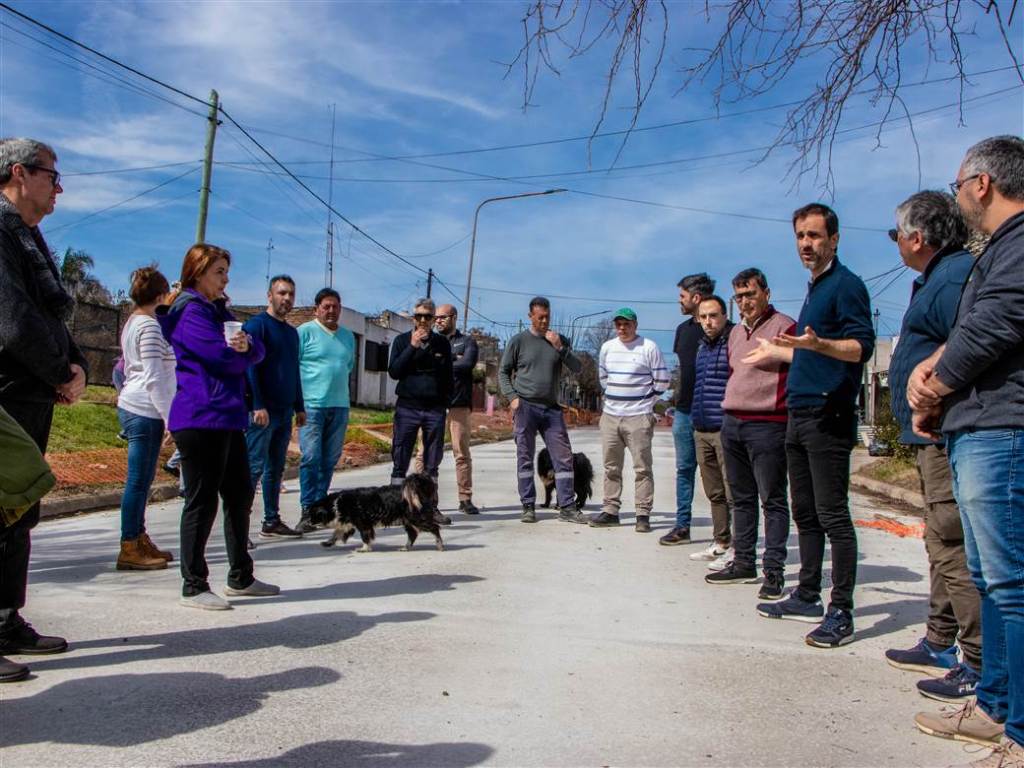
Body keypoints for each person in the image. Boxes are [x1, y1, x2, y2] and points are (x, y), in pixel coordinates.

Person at [909, 135, 1024, 766]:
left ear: (982, 184)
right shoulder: (998, 251)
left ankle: (1020, 730)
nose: (956, 197)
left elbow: (1000, 321)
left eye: (958, 185)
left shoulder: (1019, 243)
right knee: (989, 577)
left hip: (1004, 429)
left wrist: (935, 383)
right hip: (978, 427)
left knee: (1011, 585)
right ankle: (994, 705)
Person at [752, 203, 875, 649]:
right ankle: (806, 593)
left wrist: (820, 343)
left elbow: (860, 347)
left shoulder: (847, 286)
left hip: (829, 414)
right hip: (798, 414)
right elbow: (810, 351)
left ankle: (840, 610)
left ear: (834, 240)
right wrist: (786, 352)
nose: (807, 244)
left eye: (815, 236)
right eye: (801, 236)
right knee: (804, 512)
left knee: (833, 515)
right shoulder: (814, 289)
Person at [883, 191, 981, 704]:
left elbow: (968, 342)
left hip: (942, 433)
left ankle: (979, 663)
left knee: (951, 544)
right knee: (938, 543)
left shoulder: (953, 277)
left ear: (917, 237)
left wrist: (933, 394)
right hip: (926, 438)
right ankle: (941, 639)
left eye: (895, 233)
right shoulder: (939, 277)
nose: (895, 242)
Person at [0, 138, 85, 675]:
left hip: (31, 393)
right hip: (7, 392)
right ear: (18, 173)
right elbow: (12, 319)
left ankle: (7, 618)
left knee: (19, 510)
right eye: (51, 176)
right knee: (1, 506)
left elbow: (49, 316)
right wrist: (59, 370)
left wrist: (74, 367)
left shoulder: (29, 236)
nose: (58, 187)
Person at [158, 243, 278, 610]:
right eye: (219, 272)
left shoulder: (218, 310)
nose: (226, 279)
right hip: (199, 416)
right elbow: (221, 357)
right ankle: (193, 584)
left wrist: (246, 346)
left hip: (227, 417)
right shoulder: (191, 311)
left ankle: (240, 576)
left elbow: (255, 352)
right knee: (201, 500)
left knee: (240, 493)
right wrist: (242, 350)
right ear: (198, 273)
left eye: (226, 271)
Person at [708, 269, 795, 599]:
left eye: (750, 294)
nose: (745, 302)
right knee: (741, 498)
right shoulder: (734, 334)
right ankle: (744, 561)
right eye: (739, 296)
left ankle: (773, 571)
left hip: (768, 424)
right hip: (733, 423)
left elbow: (802, 362)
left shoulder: (785, 326)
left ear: (766, 294)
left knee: (772, 499)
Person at [499, 296, 584, 524]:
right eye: (540, 317)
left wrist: (560, 347)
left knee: (564, 457)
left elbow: (577, 368)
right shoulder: (518, 341)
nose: (545, 321)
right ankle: (528, 506)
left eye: (547, 316)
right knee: (525, 458)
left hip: (551, 409)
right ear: (531, 316)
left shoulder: (559, 340)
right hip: (525, 406)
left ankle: (567, 506)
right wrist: (512, 398)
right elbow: (503, 372)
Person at [115, 266, 177, 571]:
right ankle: (129, 544)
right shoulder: (149, 327)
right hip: (144, 410)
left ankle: (138, 537)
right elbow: (153, 378)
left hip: (138, 405)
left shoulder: (135, 322)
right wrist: (170, 419)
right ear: (160, 294)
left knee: (142, 480)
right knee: (138, 482)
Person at [588, 307, 670, 533]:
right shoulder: (607, 348)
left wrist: (646, 403)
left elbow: (662, 381)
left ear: (635, 324)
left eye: (627, 324)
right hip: (611, 416)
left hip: (638, 417)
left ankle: (643, 514)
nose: (622, 328)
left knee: (642, 467)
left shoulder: (649, 347)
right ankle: (610, 510)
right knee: (611, 466)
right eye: (619, 324)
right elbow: (604, 378)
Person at [244, 274, 306, 539]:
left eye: (291, 294)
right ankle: (239, 527)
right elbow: (249, 367)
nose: (287, 298)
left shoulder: (292, 334)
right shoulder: (257, 326)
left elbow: (294, 371)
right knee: (252, 469)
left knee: (275, 469)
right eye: (282, 293)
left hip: (284, 411)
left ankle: (271, 521)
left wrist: (299, 406)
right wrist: (257, 404)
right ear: (269, 295)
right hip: (262, 412)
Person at [660, 273, 716, 546]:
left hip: (713, 413)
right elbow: (683, 371)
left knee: (716, 473)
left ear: (696, 298)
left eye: (682, 296)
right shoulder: (683, 331)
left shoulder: (723, 330)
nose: (679, 302)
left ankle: (724, 535)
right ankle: (683, 526)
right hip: (684, 412)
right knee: (684, 469)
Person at [295, 288, 356, 531]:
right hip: (311, 406)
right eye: (326, 307)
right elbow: (293, 367)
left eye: (335, 307)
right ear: (317, 309)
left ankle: (320, 508)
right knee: (310, 458)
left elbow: (347, 366)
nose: (331, 311)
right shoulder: (304, 333)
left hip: (340, 406)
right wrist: (296, 403)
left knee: (329, 460)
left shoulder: (348, 337)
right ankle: (307, 508)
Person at [388, 297, 453, 522]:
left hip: (434, 409)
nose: (423, 320)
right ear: (414, 318)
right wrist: (413, 346)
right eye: (419, 316)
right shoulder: (401, 341)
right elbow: (394, 371)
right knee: (401, 456)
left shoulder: (442, 343)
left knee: (432, 461)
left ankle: (429, 507)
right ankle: (396, 507)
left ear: (434, 319)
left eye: (428, 316)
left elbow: (447, 376)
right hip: (408, 406)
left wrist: (445, 403)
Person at [683, 297, 735, 566]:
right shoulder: (702, 347)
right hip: (701, 428)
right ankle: (721, 541)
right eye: (703, 317)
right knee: (714, 492)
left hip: (724, 429)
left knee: (733, 491)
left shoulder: (734, 342)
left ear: (725, 315)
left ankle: (739, 547)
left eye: (713, 316)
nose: (708, 322)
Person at [415, 304, 480, 515]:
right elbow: (423, 364)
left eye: (443, 317)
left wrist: (442, 361)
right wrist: (452, 360)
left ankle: (465, 498)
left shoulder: (467, 341)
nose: (438, 321)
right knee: (424, 452)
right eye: (437, 318)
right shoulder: (430, 340)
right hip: (432, 404)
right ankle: (421, 498)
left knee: (461, 453)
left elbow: (467, 364)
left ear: (454, 318)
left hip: (458, 404)